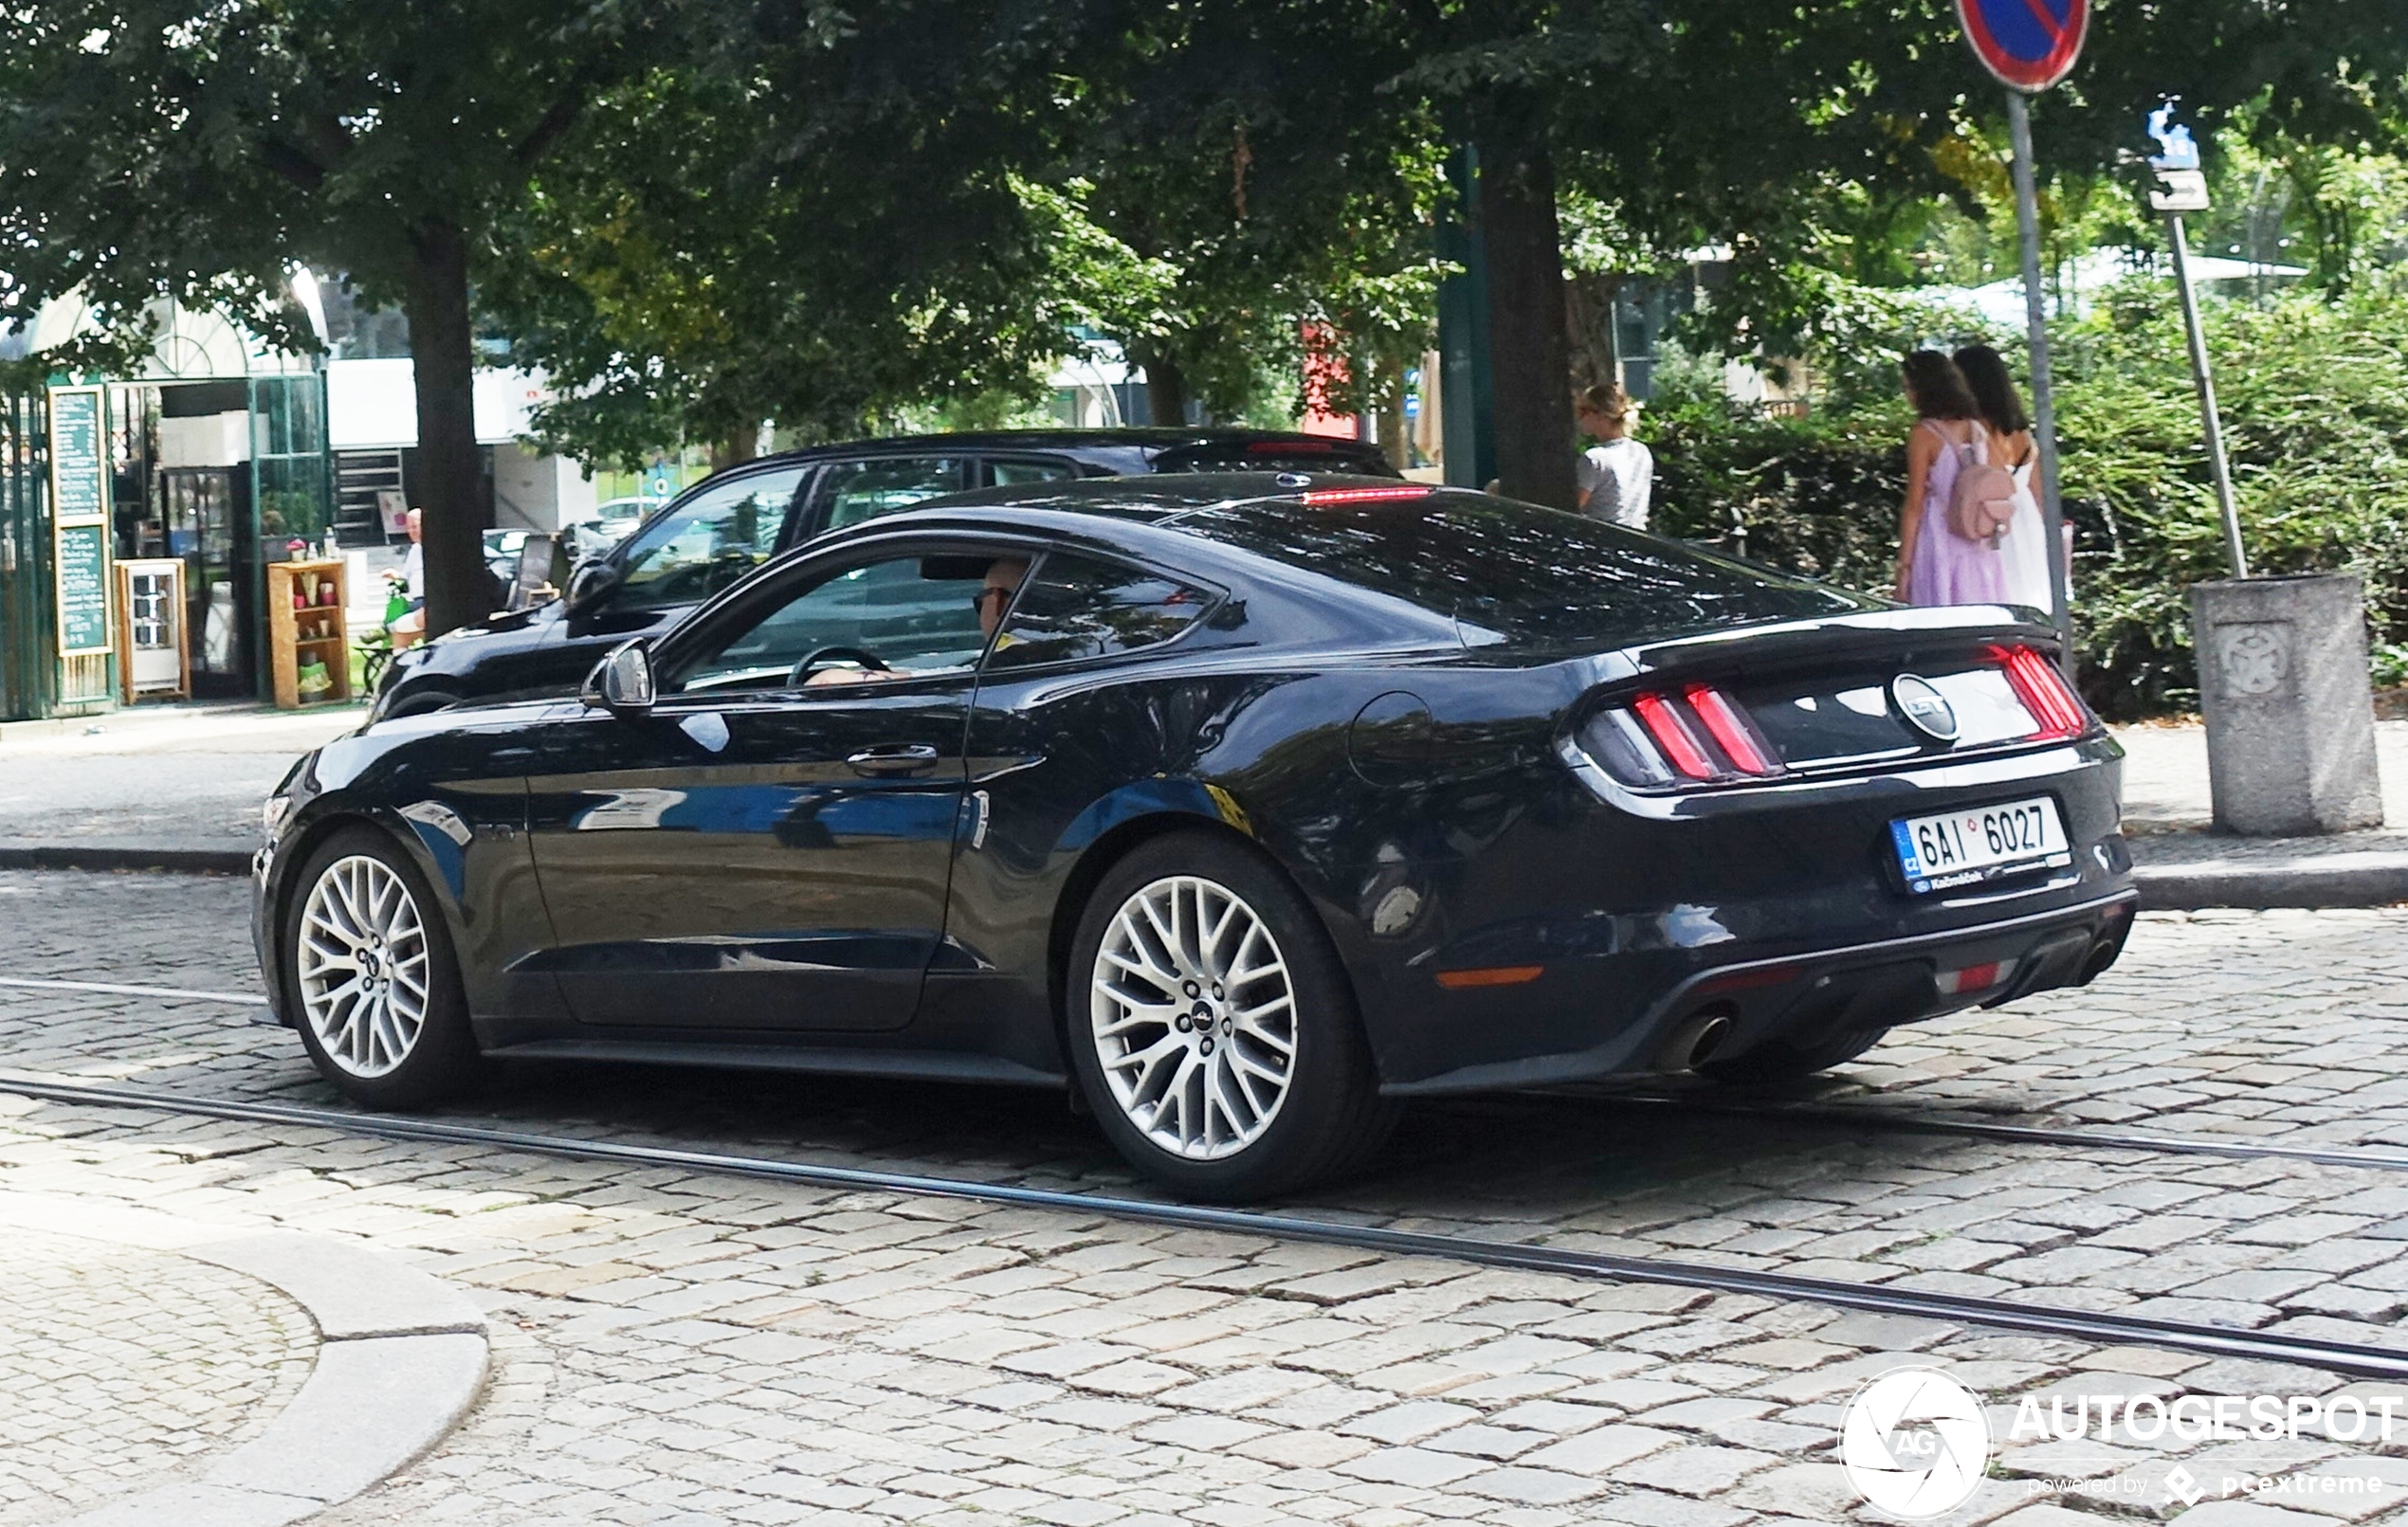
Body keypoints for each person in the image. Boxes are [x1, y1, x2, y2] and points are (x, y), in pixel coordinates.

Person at [1892, 351, 2009, 607]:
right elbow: (2001, 477)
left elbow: (1914, 505)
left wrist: (1904, 566)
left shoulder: (1924, 434)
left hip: (1939, 536)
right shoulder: (1977, 429)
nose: (1908, 395)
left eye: (1909, 387)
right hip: (1978, 538)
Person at [803, 555, 1028, 687]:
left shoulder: (1015, 671)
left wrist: (834, 677)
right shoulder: (1052, 659)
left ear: (997, 602)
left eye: (979, 601)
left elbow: (959, 686)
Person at [1952, 343, 2054, 614]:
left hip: (1991, 519)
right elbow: (2039, 495)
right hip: (2027, 521)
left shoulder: (1969, 431)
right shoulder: (2023, 435)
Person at [1574, 384, 1653, 529]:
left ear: (1600, 416)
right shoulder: (1641, 451)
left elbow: (1573, 507)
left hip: (1603, 539)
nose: (1579, 417)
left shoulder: (1594, 459)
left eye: (1582, 410)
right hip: (1639, 537)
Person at [385, 507, 428, 649]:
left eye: (415, 526)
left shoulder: (436, 549)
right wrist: (394, 575)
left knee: (399, 631)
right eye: (408, 528)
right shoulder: (415, 549)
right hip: (416, 602)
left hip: (429, 604)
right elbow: (405, 576)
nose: (411, 531)